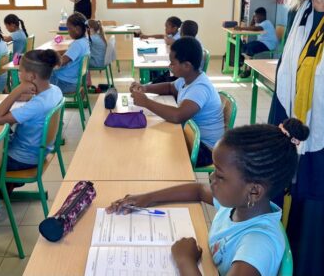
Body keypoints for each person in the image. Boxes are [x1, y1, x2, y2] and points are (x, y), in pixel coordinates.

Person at [107, 118, 310, 276]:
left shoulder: (258, 244)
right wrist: (147, 198)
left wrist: (185, 260)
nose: (211, 177)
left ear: (254, 191)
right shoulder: (239, 206)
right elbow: (197, 190)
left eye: (220, 175)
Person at [268, 0, 324, 275]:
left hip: (321, 153)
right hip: (295, 139)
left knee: (313, 239)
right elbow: (284, 84)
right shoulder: (300, 13)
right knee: (292, 226)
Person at [0, 49, 62, 225]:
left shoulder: (37, 105)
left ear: (32, 77)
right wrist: (25, 94)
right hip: (38, 151)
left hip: (23, 158)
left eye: (20, 70)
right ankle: (4, 190)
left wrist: (17, 91)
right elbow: (36, 103)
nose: (18, 72)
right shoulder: (55, 91)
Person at [130, 37, 223, 166]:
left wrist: (146, 102)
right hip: (192, 137)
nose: (169, 66)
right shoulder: (187, 78)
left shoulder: (200, 88)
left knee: (156, 148)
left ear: (186, 66)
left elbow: (177, 116)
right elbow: (169, 87)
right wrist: (145, 88)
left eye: (173, 63)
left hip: (204, 149)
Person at [50, 13, 90, 93]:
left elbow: (61, 62)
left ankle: (45, 102)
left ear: (77, 29)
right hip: (74, 81)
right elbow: (70, 55)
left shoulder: (77, 44)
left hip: (66, 83)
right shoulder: (85, 41)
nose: (68, 31)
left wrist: (48, 62)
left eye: (68, 28)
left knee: (39, 79)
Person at [235, 7, 277, 77]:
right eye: (254, 17)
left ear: (262, 16)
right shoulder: (259, 23)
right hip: (262, 42)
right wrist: (253, 18)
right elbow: (251, 27)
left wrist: (241, 28)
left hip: (269, 44)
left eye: (256, 17)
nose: (255, 18)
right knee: (245, 46)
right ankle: (243, 63)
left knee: (250, 48)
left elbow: (255, 29)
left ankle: (248, 70)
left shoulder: (266, 23)